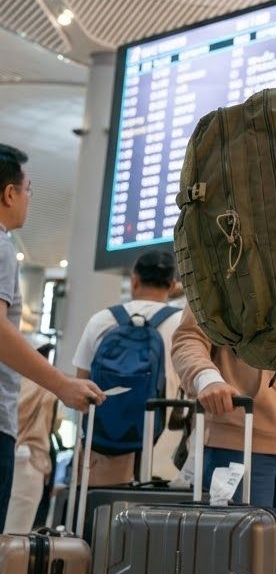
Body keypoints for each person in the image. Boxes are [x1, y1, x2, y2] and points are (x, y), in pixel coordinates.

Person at [0, 144, 104, 526]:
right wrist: (61, 384)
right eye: (28, 190)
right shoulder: (1, 246)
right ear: (9, 193)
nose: (28, 199)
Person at [171, 305, 276, 562]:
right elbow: (189, 338)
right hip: (238, 436)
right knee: (235, 567)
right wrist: (207, 378)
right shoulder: (218, 266)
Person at [71, 249, 181, 485]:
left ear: (134, 280)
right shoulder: (183, 324)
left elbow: (80, 384)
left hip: (104, 447)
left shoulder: (101, 320)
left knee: (101, 516)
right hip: (165, 453)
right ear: (172, 285)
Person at [4, 347, 60, 532]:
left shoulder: (13, 381)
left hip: (9, 450)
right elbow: (56, 424)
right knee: (17, 534)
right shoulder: (49, 387)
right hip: (33, 459)